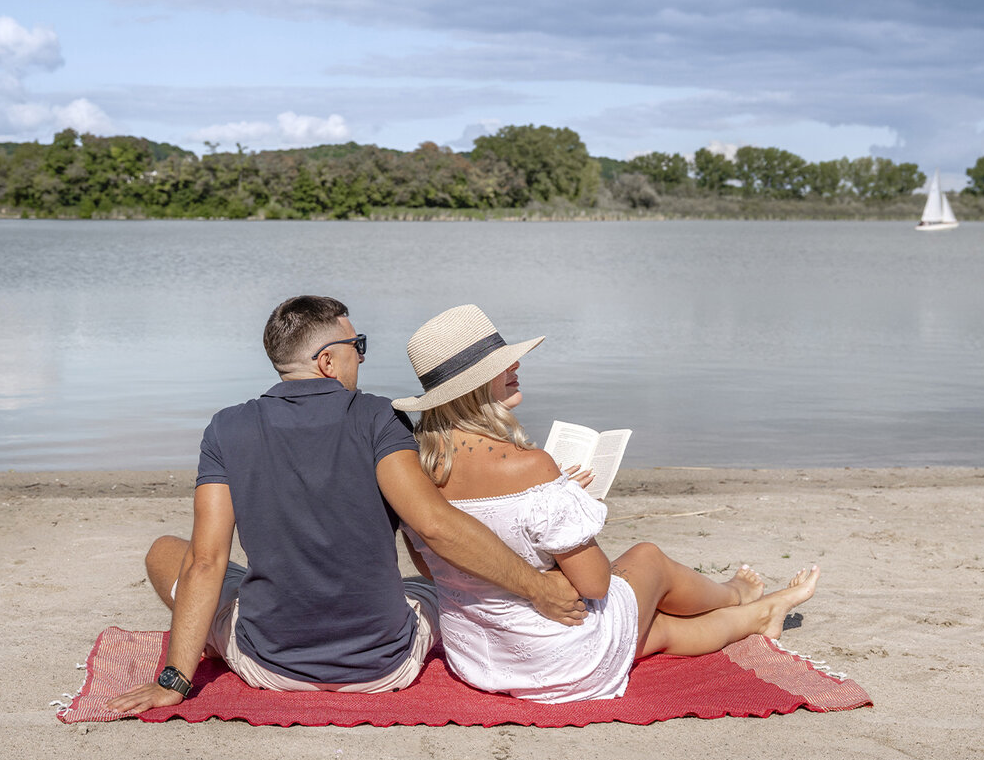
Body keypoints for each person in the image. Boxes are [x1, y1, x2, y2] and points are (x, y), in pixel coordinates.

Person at [106, 296, 585, 714]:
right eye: (358, 347)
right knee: (427, 589)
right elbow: (435, 526)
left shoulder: (226, 428)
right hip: (384, 667)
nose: (362, 358)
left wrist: (174, 680)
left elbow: (207, 562)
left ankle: (222, 639)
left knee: (169, 553)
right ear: (328, 361)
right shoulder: (379, 417)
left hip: (268, 664)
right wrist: (536, 588)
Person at [392, 304, 819, 703]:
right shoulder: (529, 467)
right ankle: (733, 595)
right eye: (502, 364)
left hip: (480, 659)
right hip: (558, 653)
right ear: (472, 387)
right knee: (648, 558)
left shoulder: (413, 474)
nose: (516, 366)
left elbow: (434, 566)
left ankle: (760, 616)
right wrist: (573, 501)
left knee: (658, 628)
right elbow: (594, 584)